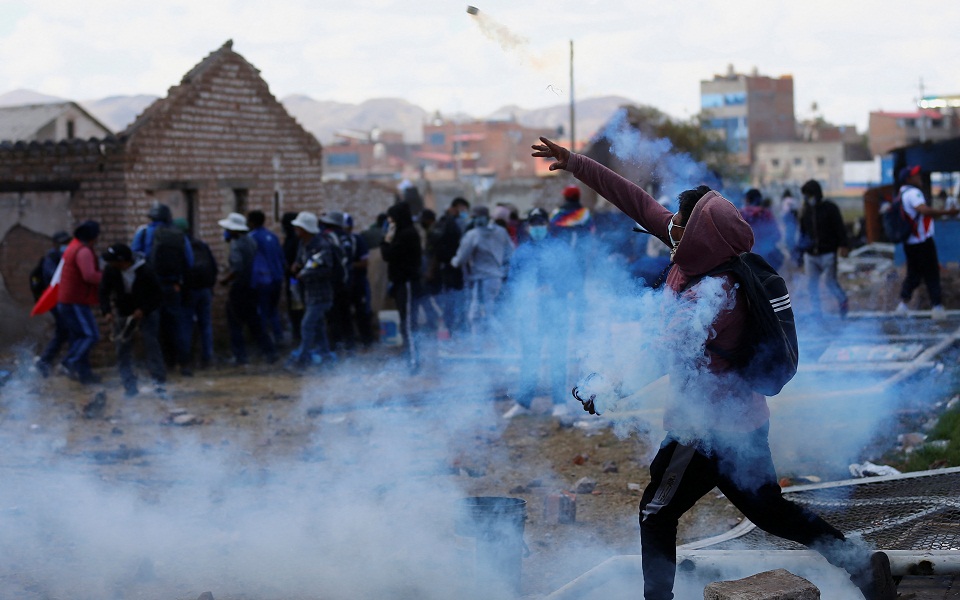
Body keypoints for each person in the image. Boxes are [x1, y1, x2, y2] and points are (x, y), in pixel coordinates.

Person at [531, 136, 897, 600]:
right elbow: (637, 202)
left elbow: (663, 353)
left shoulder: (717, 293)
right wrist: (576, 163)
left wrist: (605, 386)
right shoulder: (699, 253)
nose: (669, 229)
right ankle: (861, 566)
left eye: (679, 224)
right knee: (770, 511)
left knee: (656, 513)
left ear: (699, 234)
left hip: (702, 432)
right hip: (745, 424)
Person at [502, 207, 579, 419]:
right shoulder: (521, 252)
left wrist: (554, 289)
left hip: (556, 311)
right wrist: (521, 298)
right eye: (533, 224)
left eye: (540, 223)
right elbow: (512, 282)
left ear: (547, 224)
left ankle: (560, 403)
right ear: (528, 226)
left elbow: (573, 277)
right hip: (530, 313)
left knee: (557, 356)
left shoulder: (560, 249)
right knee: (529, 357)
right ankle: (523, 402)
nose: (537, 228)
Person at [131, 202, 195, 375]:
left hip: (150, 290)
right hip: (172, 288)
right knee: (176, 325)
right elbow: (189, 262)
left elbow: (134, 259)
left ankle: (158, 368)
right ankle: (184, 364)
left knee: (152, 329)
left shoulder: (143, 233)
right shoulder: (179, 235)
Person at [99, 243, 166, 397]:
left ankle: (159, 383)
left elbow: (157, 295)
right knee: (122, 349)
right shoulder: (111, 270)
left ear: (123, 261)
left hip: (147, 312)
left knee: (151, 344)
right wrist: (106, 311)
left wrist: (143, 310)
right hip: (124, 312)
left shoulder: (145, 270)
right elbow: (103, 291)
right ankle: (129, 386)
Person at [894, 165, 960, 319]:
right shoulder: (914, 193)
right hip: (921, 240)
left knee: (914, 274)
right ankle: (937, 307)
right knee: (931, 273)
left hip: (910, 241)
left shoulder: (902, 193)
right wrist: (947, 212)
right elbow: (924, 211)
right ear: (909, 178)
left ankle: (903, 305)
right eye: (916, 175)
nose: (919, 178)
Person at [218, 212, 276, 366]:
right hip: (253, 286)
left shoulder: (236, 245)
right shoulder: (250, 241)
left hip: (240, 288)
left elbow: (237, 268)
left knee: (235, 322)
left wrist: (225, 280)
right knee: (254, 321)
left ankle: (240, 356)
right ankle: (269, 351)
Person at [287, 212, 341, 370]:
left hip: (321, 294)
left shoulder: (322, 246)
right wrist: (297, 265)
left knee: (307, 325)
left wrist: (305, 274)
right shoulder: (303, 244)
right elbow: (300, 259)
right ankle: (325, 355)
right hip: (309, 293)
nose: (296, 229)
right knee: (317, 326)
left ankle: (302, 358)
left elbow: (326, 269)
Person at [450, 205, 514, 339]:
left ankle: (502, 342)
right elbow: (510, 253)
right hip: (496, 278)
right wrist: (503, 270)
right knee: (487, 312)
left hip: (481, 279)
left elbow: (461, 258)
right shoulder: (501, 231)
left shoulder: (473, 235)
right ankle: (482, 344)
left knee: (478, 314)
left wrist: (453, 261)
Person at [57, 220, 103, 384]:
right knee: (91, 335)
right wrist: (106, 278)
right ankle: (69, 362)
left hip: (69, 299)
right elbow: (89, 275)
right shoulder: (83, 251)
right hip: (75, 300)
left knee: (79, 337)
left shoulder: (74, 247)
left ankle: (85, 375)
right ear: (93, 237)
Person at [796, 180, 850, 318]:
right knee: (811, 284)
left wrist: (844, 245)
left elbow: (840, 228)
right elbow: (803, 233)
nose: (807, 198)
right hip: (810, 254)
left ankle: (842, 302)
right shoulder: (805, 211)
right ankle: (816, 311)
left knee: (830, 282)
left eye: (809, 194)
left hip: (828, 253)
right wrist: (799, 253)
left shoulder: (830, 208)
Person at [380, 201, 422, 373]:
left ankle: (413, 361)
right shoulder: (404, 233)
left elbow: (388, 255)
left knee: (409, 324)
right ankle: (410, 357)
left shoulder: (407, 234)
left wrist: (386, 240)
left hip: (407, 283)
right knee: (406, 322)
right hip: (401, 283)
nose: (390, 223)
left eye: (392, 219)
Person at [174, 218, 218, 370]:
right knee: (205, 325)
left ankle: (185, 360)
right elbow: (214, 266)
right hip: (205, 289)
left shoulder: (180, 247)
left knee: (185, 324)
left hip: (189, 290)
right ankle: (208, 358)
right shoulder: (201, 245)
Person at [32, 231, 72, 377]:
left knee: (63, 332)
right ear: (55, 244)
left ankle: (46, 362)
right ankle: (50, 362)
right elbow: (55, 278)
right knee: (66, 330)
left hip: (63, 301)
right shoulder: (51, 258)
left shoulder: (63, 256)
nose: (65, 246)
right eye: (62, 243)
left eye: (67, 242)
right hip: (56, 301)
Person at [429, 198, 470, 338]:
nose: (464, 212)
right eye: (463, 208)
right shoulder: (449, 223)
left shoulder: (453, 223)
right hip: (451, 268)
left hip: (453, 268)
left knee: (455, 302)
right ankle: (455, 331)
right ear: (456, 207)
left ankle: (456, 330)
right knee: (452, 302)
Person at [247, 210, 287, 345]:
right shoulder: (272, 236)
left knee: (262, 312)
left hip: (263, 280)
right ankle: (278, 337)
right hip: (277, 278)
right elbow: (281, 258)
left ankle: (264, 343)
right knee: (273, 310)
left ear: (251, 222)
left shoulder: (252, 237)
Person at [343, 213, 375, 349]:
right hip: (345, 284)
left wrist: (348, 265)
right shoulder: (336, 239)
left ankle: (367, 342)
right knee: (345, 314)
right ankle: (350, 343)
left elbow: (364, 262)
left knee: (362, 312)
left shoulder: (357, 239)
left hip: (358, 282)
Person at [739, 188, 783, 271]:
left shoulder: (740, 214)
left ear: (747, 200)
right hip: (767, 259)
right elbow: (777, 235)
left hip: (746, 259)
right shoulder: (766, 214)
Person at [281, 212, 305, 343]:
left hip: (296, 279)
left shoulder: (296, 241)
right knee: (295, 307)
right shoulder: (291, 239)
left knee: (297, 307)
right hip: (293, 279)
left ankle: (299, 334)